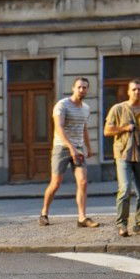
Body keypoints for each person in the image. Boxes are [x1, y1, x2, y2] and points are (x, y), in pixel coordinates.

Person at [39, 77, 98, 228]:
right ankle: (44, 213)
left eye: (85, 87)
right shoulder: (62, 105)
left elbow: (84, 128)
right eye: (79, 87)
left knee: (83, 182)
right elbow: (58, 127)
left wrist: (88, 148)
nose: (82, 90)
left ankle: (82, 218)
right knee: (56, 183)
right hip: (62, 148)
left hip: (78, 148)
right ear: (73, 88)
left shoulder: (86, 108)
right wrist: (70, 147)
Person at [103, 78, 140, 237]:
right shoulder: (118, 109)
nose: (137, 92)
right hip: (123, 155)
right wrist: (125, 128)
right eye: (134, 89)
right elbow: (107, 131)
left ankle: (139, 223)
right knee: (125, 189)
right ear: (128, 91)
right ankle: (122, 224)